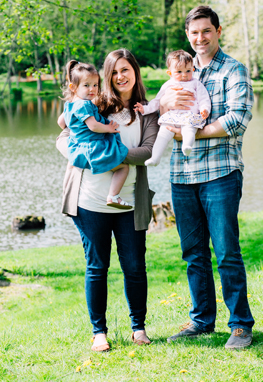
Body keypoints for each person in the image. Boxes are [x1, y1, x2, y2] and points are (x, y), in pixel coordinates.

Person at [157, 5, 255, 349]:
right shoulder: (178, 73)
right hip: (182, 175)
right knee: (193, 252)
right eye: (194, 32)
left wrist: (190, 132)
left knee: (226, 250)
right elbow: (161, 116)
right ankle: (202, 320)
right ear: (188, 35)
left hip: (220, 173)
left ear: (218, 31)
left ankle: (241, 325)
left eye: (206, 31)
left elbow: (236, 121)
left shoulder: (233, 71)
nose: (200, 38)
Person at [57, 49, 158, 352]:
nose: (120, 77)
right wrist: (86, 156)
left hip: (129, 204)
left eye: (125, 70)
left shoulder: (146, 111)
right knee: (97, 267)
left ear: (135, 73)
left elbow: (149, 151)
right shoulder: (93, 103)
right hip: (89, 201)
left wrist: (112, 156)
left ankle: (138, 328)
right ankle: (99, 332)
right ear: (106, 77)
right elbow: (62, 135)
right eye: (114, 72)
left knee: (135, 267)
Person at [57, 61, 132, 209]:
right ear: (73, 87)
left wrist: (76, 130)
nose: (92, 89)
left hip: (80, 145)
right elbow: (93, 126)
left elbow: (61, 122)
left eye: (95, 85)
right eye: (86, 85)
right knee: (123, 168)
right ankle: (113, 196)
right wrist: (108, 128)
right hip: (93, 147)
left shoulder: (71, 104)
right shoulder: (84, 105)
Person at [135, 50, 211, 166]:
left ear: (193, 69)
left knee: (189, 129)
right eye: (179, 72)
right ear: (169, 73)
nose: (184, 75)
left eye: (188, 71)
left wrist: (204, 109)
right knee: (162, 134)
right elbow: (157, 101)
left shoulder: (196, 84)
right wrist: (145, 109)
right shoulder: (167, 85)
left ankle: (187, 146)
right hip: (172, 117)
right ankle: (155, 158)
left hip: (189, 116)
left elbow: (203, 98)